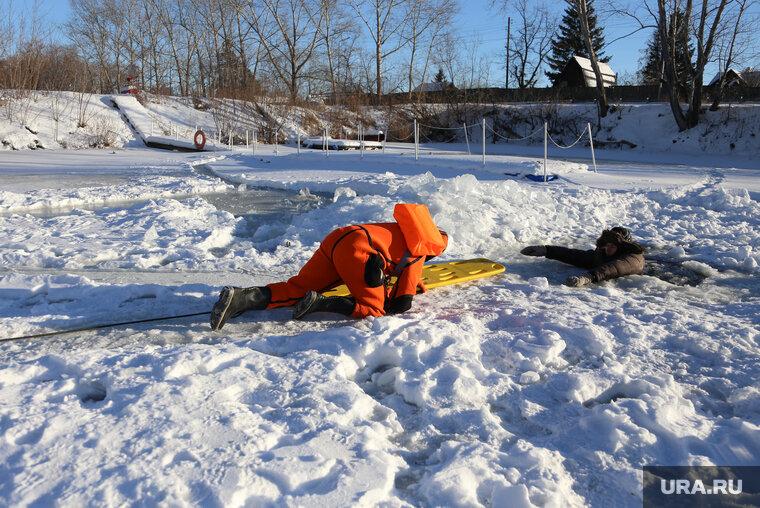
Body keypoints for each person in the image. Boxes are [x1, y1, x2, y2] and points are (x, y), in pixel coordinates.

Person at [210, 204, 449, 331]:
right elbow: (400, 304)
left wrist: (412, 281)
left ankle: (240, 298)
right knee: (374, 309)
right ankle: (319, 303)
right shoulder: (419, 253)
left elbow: (392, 255)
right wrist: (400, 289)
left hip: (339, 238)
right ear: (434, 249)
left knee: (298, 286)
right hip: (360, 251)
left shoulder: (403, 231)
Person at [520, 226, 645, 287]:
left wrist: (587, 278)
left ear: (621, 248)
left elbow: (614, 267)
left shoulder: (633, 260)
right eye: (607, 245)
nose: (608, 248)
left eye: (612, 246)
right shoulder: (602, 254)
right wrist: (547, 250)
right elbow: (577, 256)